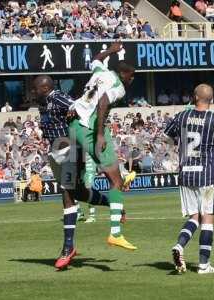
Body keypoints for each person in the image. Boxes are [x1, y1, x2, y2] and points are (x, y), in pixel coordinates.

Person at [33, 74, 133, 270]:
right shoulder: (43, 102)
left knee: (68, 193)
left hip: (70, 147)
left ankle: (68, 247)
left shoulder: (58, 97)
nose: (32, 92)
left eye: (35, 89)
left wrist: (78, 117)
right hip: (55, 151)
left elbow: (79, 106)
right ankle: (112, 204)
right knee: (78, 192)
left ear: (44, 89)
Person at [69, 42, 137, 251]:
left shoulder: (101, 72)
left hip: (72, 123)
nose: (131, 79)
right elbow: (103, 102)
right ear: (124, 74)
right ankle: (115, 233)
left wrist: (110, 51)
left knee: (79, 190)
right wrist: (98, 134)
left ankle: (112, 201)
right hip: (88, 128)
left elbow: (96, 59)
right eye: (131, 76)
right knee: (116, 182)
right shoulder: (118, 86)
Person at [164, 84, 214, 274]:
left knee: (194, 217)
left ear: (195, 97)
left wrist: (179, 147)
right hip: (206, 175)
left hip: (186, 173)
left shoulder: (181, 116)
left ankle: (179, 245)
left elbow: (167, 137)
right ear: (211, 99)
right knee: (207, 219)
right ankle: (204, 265)